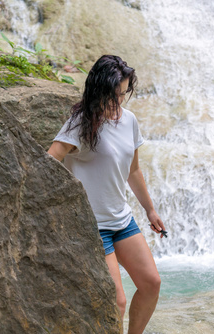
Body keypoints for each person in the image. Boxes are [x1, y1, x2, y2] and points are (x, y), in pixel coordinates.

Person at [47, 55, 165, 333]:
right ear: (98, 90)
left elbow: (133, 170)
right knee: (117, 301)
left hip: (121, 220)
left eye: (124, 94)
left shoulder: (129, 121)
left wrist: (150, 210)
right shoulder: (80, 123)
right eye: (114, 95)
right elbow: (50, 161)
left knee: (152, 284)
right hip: (92, 227)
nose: (119, 102)